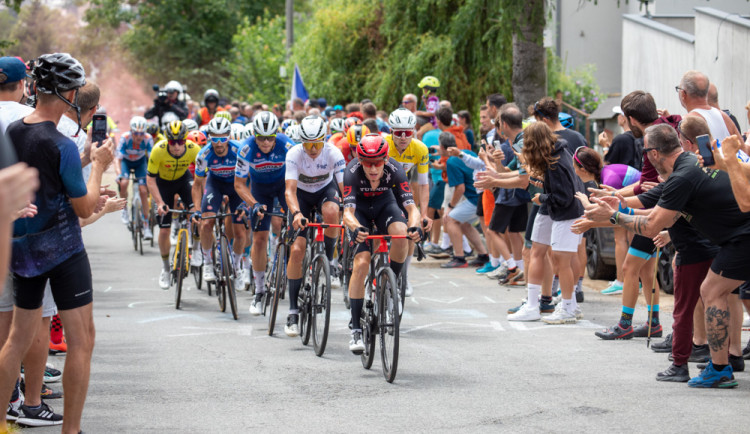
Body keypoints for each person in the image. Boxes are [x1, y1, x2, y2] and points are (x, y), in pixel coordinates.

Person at [585, 124, 750, 388]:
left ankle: (720, 368)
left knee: (712, 292)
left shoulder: (683, 175)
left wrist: (614, 216)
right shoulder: (687, 167)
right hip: (735, 239)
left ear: (653, 153)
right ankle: (721, 366)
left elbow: (651, 226)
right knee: (712, 292)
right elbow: (654, 211)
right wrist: (616, 207)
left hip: (742, 237)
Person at [3, 52, 115, 432]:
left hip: (23, 248)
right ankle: (72, 430)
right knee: (81, 341)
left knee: (17, 340)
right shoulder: (62, 143)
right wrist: (97, 164)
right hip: (64, 249)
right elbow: (83, 207)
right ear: (68, 93)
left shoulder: (15, 131)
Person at [342, 133, 422, 353]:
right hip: (360, 211)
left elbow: (411, 208)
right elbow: (347, 212)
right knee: (361, 263)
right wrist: (355, 227)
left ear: (386, 159)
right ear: (360, 161)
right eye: (368, 163)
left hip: (384, 205)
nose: (373, 168)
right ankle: (356, 328)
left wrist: (415, 227)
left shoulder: (396, 170)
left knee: (401, 233)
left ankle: (391, 283)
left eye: (378, 163)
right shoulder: (351, 172)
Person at [506, 122, 584, 324]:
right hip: (556, 210)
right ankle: (537, 305)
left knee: (562, 260)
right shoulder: (555, 155)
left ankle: (567, 307)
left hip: (565, 212)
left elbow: (564, 196)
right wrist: (544, 186)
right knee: (539, 252)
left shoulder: (555, 162)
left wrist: (543, 198)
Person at [283, 115, 346, 337]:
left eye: (317, 144)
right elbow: (289, 191)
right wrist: (297, 213)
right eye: (307, 144)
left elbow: (344, 187)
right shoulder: (293, 154)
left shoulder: (333, 153)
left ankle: (329, 259)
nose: (312, 149)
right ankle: (292, 310)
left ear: (324, 140)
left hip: (324, 191)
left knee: (332, 211)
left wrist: (349, 210)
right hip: (301, 195)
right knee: (297, 250)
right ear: (301, 142)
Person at [234, 111, 295, 315]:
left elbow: (301, 173)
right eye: (261, 138)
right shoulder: (246, 149)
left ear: (276, 135)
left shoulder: (287, 145)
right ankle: (259, 291)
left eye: (270, 137)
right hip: (259, 189)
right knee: (259, 239)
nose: (266, 142)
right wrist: (253, 204)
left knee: (294, 231)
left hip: (283, 185)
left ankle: (294, 269)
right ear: (255, 135)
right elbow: (240, 184)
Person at [192, 116, 247, 289]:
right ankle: (207, 263)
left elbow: (251, 178)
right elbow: (197, 185)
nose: (219, 143)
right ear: (209, 138)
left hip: (236, 186)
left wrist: (247, 203)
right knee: (207, 223)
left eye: (223, 138)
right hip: (214, 185)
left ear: (229, 137)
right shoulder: (204, 155)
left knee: (240, 231)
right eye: (215, 138)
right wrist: (196, 209)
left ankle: (237, 267)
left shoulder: (240, 150)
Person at [146, 120, 200, 289]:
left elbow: (202, 177)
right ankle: (165, 268)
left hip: (184, 181)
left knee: (197, 215)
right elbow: (150, 180)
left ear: (186, 140)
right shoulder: (158, 151)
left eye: (180, 142)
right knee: (164, 229)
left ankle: (197, 250)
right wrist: (160, 203)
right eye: (172, 142)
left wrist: (198, 204)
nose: (177, 146)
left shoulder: (193, 149)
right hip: (163, 185)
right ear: (167, 141)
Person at [386, 108, 432, 294]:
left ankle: (403, 276)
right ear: (391, 132)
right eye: (399, 133)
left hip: (400, 189)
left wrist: (424, 214)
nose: (403, 137)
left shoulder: (420, 148)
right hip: (378, 188)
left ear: (414, 131)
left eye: (408, 133)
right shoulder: (383, 144)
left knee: (411, 230)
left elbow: (423, 185)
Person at [438, 132, 488, 268]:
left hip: (475, 198)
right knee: (464, 223)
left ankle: (459, 257)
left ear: (442, 147)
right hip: (480, 196)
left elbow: (460, 188)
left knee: (451, 219)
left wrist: (450, 206)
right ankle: (483, 255)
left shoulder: (451, 161)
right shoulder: (466, 152)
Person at [116, 116, 154, 240]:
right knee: (124, 183)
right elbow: (118, 159)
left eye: (141, 133)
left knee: (143, 191)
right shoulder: (125, 138)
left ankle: (146, 224)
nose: (139, 136)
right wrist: (119, 174)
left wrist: (152, 175)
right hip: (126, 162)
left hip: (140, 163)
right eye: (136, 133)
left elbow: (152, 159)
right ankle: (124, 209)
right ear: (131, 132)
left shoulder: (148, 139)